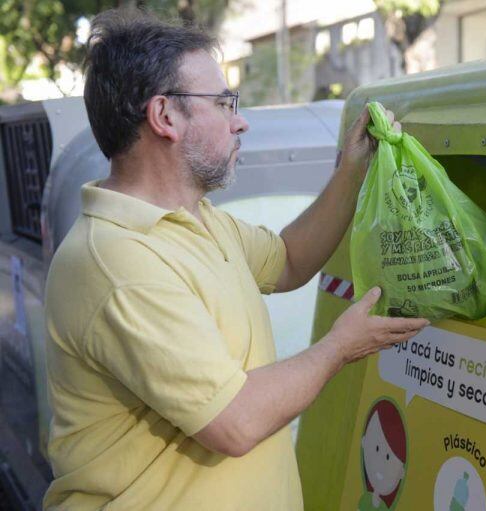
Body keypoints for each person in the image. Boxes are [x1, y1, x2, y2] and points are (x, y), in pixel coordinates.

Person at [43, 9, 428, 511]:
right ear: (164, 117)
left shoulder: (196, 220)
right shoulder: (117, 263)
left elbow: (288, 259)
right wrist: (340, 348)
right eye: (224, 103)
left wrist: (352, 174)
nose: (239, 120)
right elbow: (235, 421)